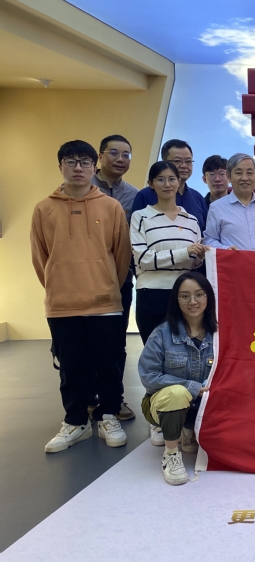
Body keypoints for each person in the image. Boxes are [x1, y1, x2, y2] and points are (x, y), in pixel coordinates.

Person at [31, 140, 131, 453]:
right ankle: (75, 422)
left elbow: (121, 256)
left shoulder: (111, 207)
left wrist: (108, 286)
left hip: (105, 303)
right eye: (71, 162)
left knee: (108, 365)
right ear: (60, 166)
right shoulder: (43, 209)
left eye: (85, 162)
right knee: (71, 367)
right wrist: (57, 286)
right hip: (62, 305)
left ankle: (108, 416)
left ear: (93, 166)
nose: (78, 168)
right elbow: (40, 258)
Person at [138, 272, 216, 486]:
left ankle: (189, 429)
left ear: (208, 297)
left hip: (203, 406)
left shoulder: (219, 334)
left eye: (199, 294)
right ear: (176, 299)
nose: (193, 301)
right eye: (185, 296)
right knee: (178, 392)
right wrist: (191, 386)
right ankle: (171, 453)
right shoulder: (161, 334)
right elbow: (149, 377)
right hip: (161, 405)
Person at [131, 161, 207, 345]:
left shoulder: (191, 220)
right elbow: (143, 259)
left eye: (172, 179)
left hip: (185, 296)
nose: (167, 184)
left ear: (179, 181)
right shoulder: (141, 217)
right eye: (161, 179)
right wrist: (185, 252)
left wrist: (200, 257)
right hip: (152, 296)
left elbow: (193, 264)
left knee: (186, 353)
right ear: (151, 184)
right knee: (155, 353)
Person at [92, 134, 139, 421]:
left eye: (126, 155)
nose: (121, 159)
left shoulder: (135, 195)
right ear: (100, 156)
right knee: (84, 341)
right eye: (114, 153)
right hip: (85, 278)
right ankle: (87, 398)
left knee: (115, 342)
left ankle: (113, 399)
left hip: (120, 277)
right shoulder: (80, 188)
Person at [203, 154, 255, 253]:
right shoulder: (217, 207)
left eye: (250, 173)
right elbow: (209, 240)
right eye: (239, 173)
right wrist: (226, 249)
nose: (245, 178)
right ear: (229, 176)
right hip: (234, 262)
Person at [131, 139, 208, 231]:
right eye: (177, 161)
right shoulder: (145, 196)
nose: (184, 166)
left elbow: (205, 233)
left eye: (188, 161)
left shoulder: (199, 199)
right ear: (164, 162)